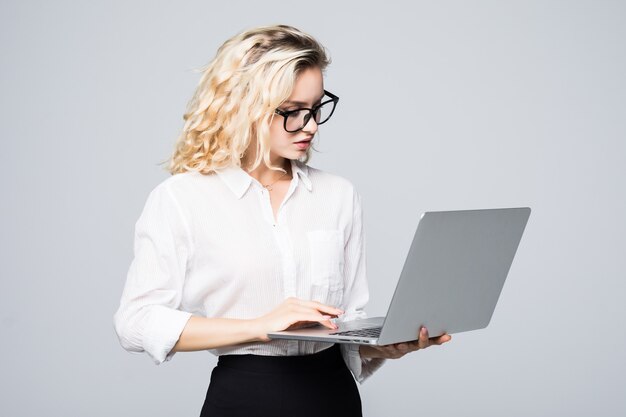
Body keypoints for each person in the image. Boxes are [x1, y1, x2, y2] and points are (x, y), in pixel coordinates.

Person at [113, 24, 451, 417]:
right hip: (246, 397)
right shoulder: (182, 199)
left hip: (334, 398)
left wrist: (386, 346)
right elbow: (135, 323)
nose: (310, 125)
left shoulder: (338, 195)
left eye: (316, 108)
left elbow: (348, 328)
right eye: (292, 112)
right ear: (242, 106)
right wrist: (260, 325)